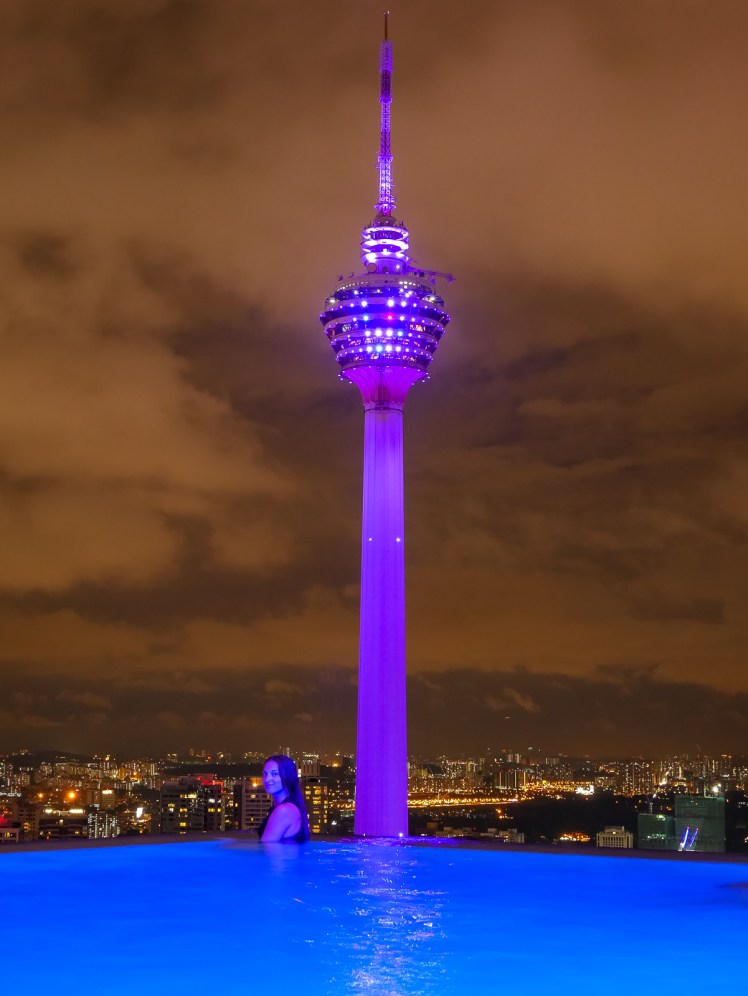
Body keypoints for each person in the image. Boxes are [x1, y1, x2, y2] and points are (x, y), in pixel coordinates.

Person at [258, 754, 310, 843]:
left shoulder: (284, 810)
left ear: (287, 776)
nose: (267, 779)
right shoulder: (289, 805)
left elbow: (265, 849)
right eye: (265, 774)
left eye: (274, 774)